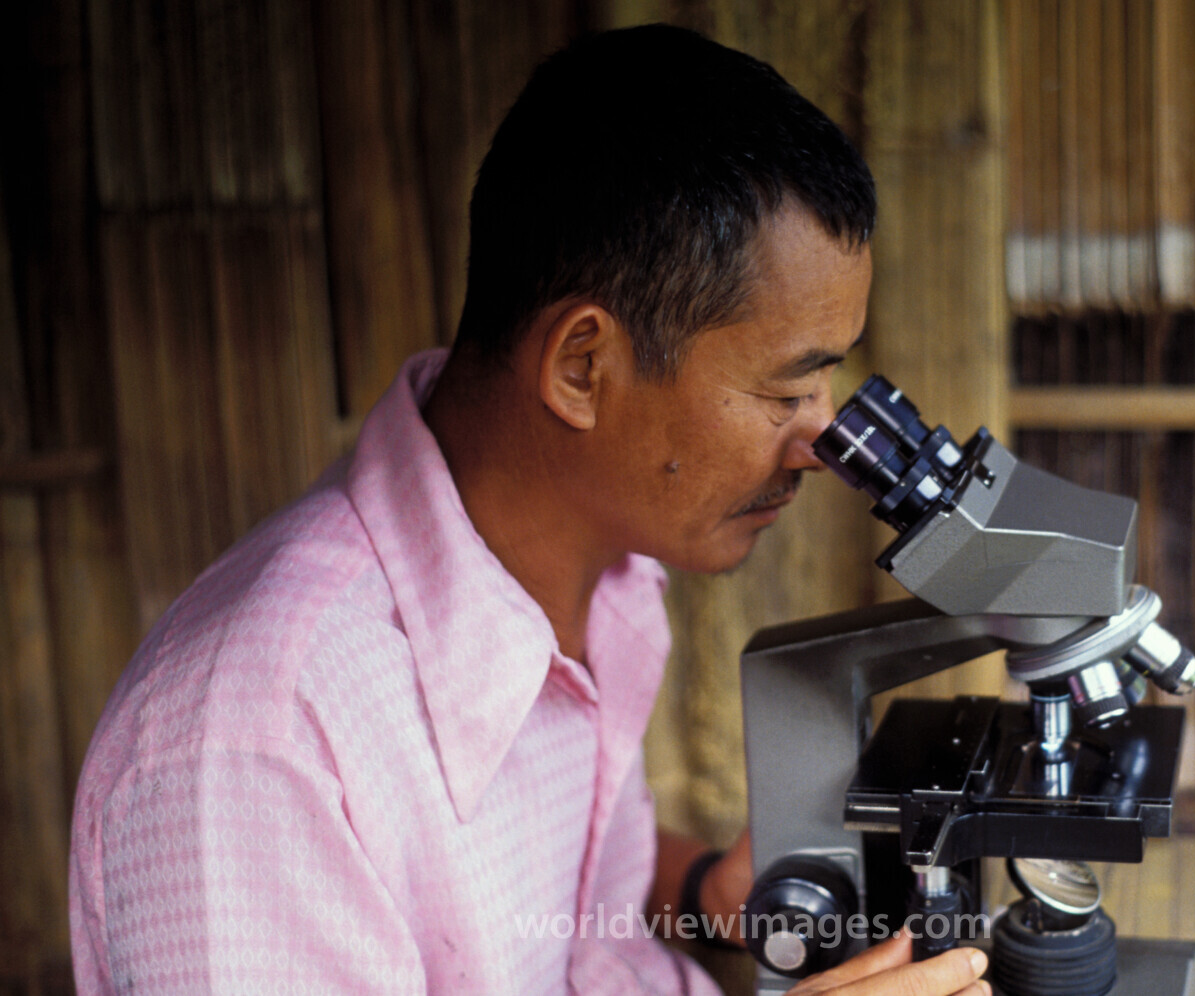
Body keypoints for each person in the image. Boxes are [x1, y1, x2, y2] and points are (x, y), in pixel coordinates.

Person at [69, 24, 991, 995]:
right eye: (786, 387)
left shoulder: (596, 574)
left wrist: (703, 886)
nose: (823, 435)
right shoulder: (260, 749)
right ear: (582, 368)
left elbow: (550, 912)